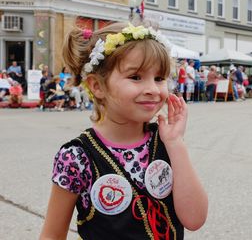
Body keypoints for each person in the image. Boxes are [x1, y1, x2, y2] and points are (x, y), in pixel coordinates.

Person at [39, 22, 208, 240]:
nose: (153, 90)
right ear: (97, 86)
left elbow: (195, 219)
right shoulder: (77, 157)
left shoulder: (165, 141)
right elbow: (52, 235)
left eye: (159, 78)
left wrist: (176, 143)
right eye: (135, 77)